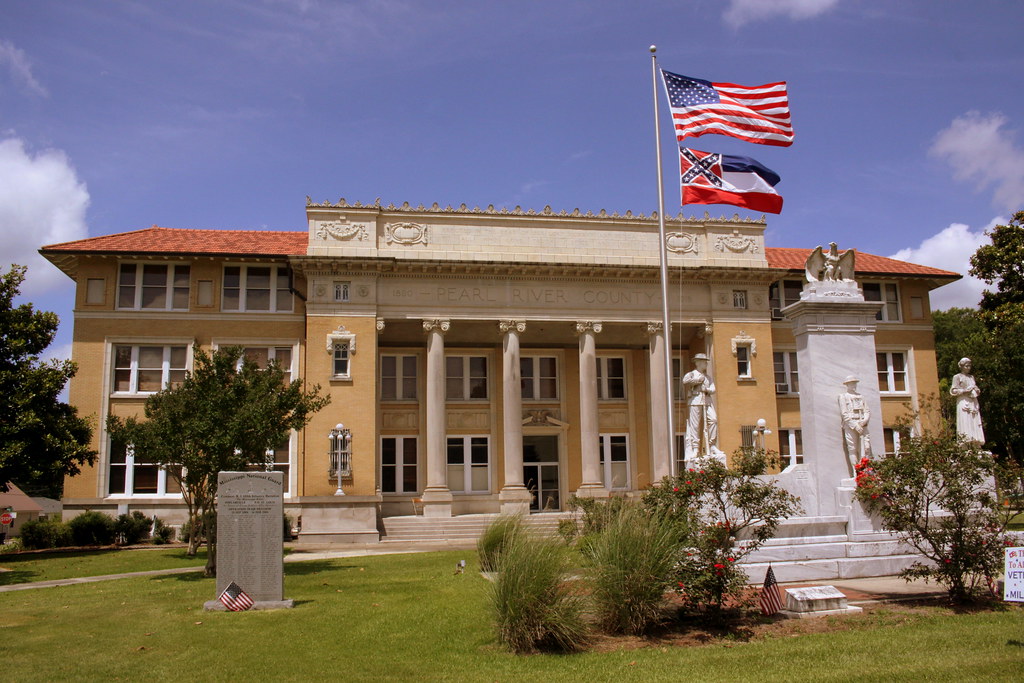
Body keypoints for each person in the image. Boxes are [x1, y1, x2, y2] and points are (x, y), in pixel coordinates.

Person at [683, 353, 718, 459]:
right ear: (698, 363)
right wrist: (698, 381)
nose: (706, 364)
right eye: (704, 362)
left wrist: (707, 389)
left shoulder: (708, 377)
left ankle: (712, 445)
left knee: (713, 420)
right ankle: (695, 448)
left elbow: (713, 388)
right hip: (695, 400)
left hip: (706, 400)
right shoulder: (692, 374)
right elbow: (685, 381)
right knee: (695, 425)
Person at [950, 357, 985, 444]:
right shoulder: (957, 377)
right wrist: (965, 390)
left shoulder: (971, 377)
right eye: (966, 366)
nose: (968, 368)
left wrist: (977, 390)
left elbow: (975, 386)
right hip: (964, 401)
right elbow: (953, 390)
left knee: (973, 420)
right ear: (961, 366)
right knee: (965, 420)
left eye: (969, 366)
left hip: (973, 401)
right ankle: (966, 441)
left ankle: (975, 440)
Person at [838, 375, 872, 461]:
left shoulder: (861, 396)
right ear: (847, 384)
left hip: (862, 423)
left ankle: (865, 470)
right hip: (851, 425)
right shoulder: (843, 397)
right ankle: (856, 471)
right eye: (852, 383)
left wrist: (864, 421)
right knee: (852, 449)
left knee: (866, 448)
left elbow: (867, 410)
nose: (854, 385)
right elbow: (844, 414)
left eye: (855, 383)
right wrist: (855, 425)